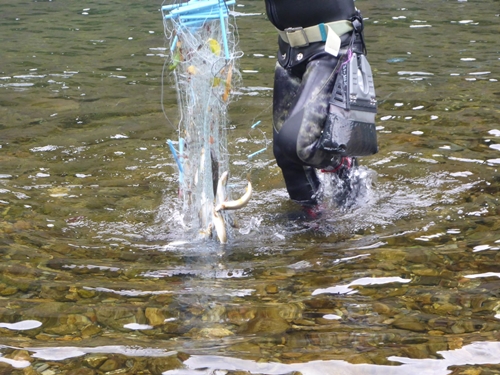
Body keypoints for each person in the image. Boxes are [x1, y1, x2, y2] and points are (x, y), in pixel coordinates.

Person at [264, 0, 378, 217]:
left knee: (298, 144)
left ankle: (340, 160)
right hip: (289, 51)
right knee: (285, 156)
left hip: (332, 46)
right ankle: (313, 222)